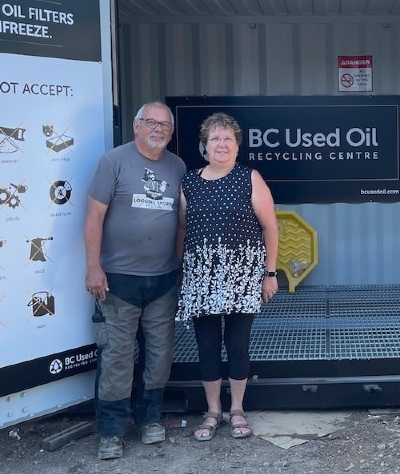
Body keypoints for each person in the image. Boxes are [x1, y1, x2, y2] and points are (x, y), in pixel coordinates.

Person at [84, 101, 187, 460]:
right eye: (151, 123)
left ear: (171, 133)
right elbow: (94, 217)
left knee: (160, 354)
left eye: (165, 125)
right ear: (136, 126)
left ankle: (150, 420)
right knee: (118, 355)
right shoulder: (113, 162)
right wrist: (93, 267)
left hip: (163, 278)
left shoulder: (178, 166)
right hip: (118, 279)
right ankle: (111, 431)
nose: (158, 129)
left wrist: (179, 265)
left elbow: (180, 222)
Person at [177, 112, 279, 441]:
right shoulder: (188, 182)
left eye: (228, 139)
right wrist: (183, 272)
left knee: (237, 345)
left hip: (242, 275)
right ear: (204, 146)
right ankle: (212, 411)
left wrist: (270, 273)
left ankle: (236, 408)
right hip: (201, 277)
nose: (222, 144)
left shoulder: (250, 177)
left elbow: (270, 227)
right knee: (206, 347)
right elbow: (181, 229)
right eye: (215, 139)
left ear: (237, 146)